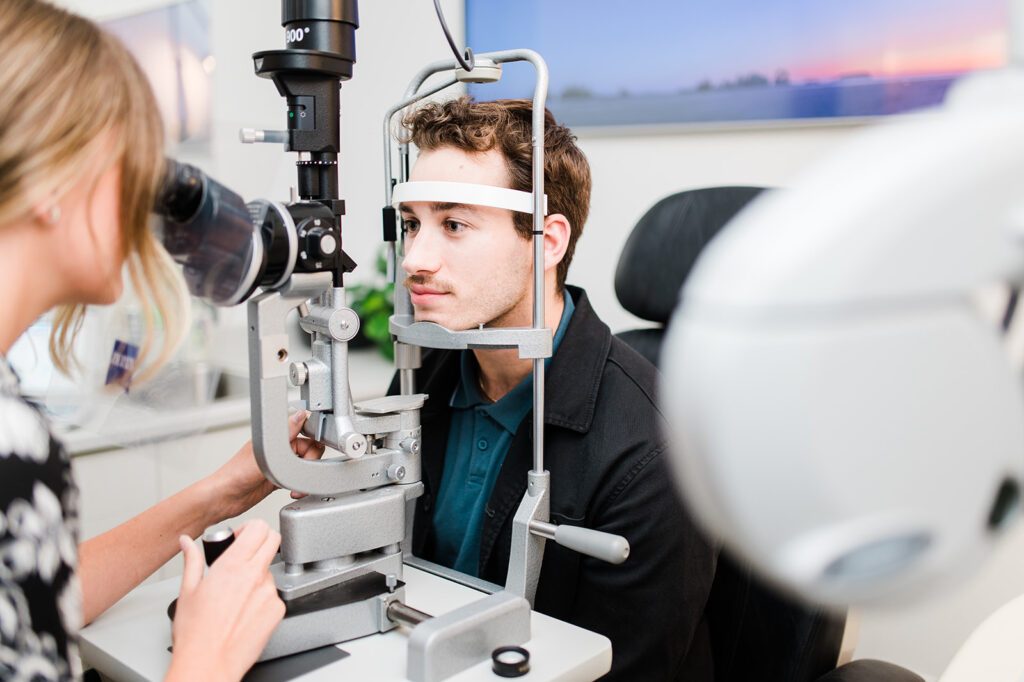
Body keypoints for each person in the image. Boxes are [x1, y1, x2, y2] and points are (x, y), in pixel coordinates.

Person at [0, 2, 323, 680]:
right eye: (133, 169)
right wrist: (207, 658)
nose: (149, 207)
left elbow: (26, 599)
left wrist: (217, 495)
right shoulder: (16, 444)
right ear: (53, 181)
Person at [393, 97, 718, 680]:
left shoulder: (651, 453)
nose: (415, 259)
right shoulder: (423, 372)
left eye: (454, 224)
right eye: (412, 224)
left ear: (547, 239)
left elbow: (627, 670)